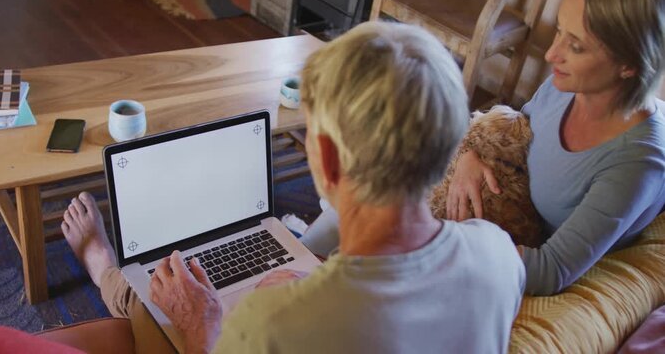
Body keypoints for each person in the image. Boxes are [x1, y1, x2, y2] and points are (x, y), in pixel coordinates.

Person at [55, 22, 524, 353]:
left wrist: (203, 326)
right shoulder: (498, 253)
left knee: (148, 308)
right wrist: (320, 284)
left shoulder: (271, 326)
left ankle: (104, 270)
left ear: (330, 162)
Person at [303, 0, 665, 297]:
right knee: (359, 198)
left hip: (511, 244)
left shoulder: (634, 165)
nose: (552, 55)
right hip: (487, 212)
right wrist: (469, 156)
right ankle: (296, 261)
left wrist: (433, 244)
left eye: (575, 46)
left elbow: (551, 270)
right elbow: (517, 127)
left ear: (629, 66)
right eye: (559, 31)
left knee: (375, 240)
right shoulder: (567, 87)